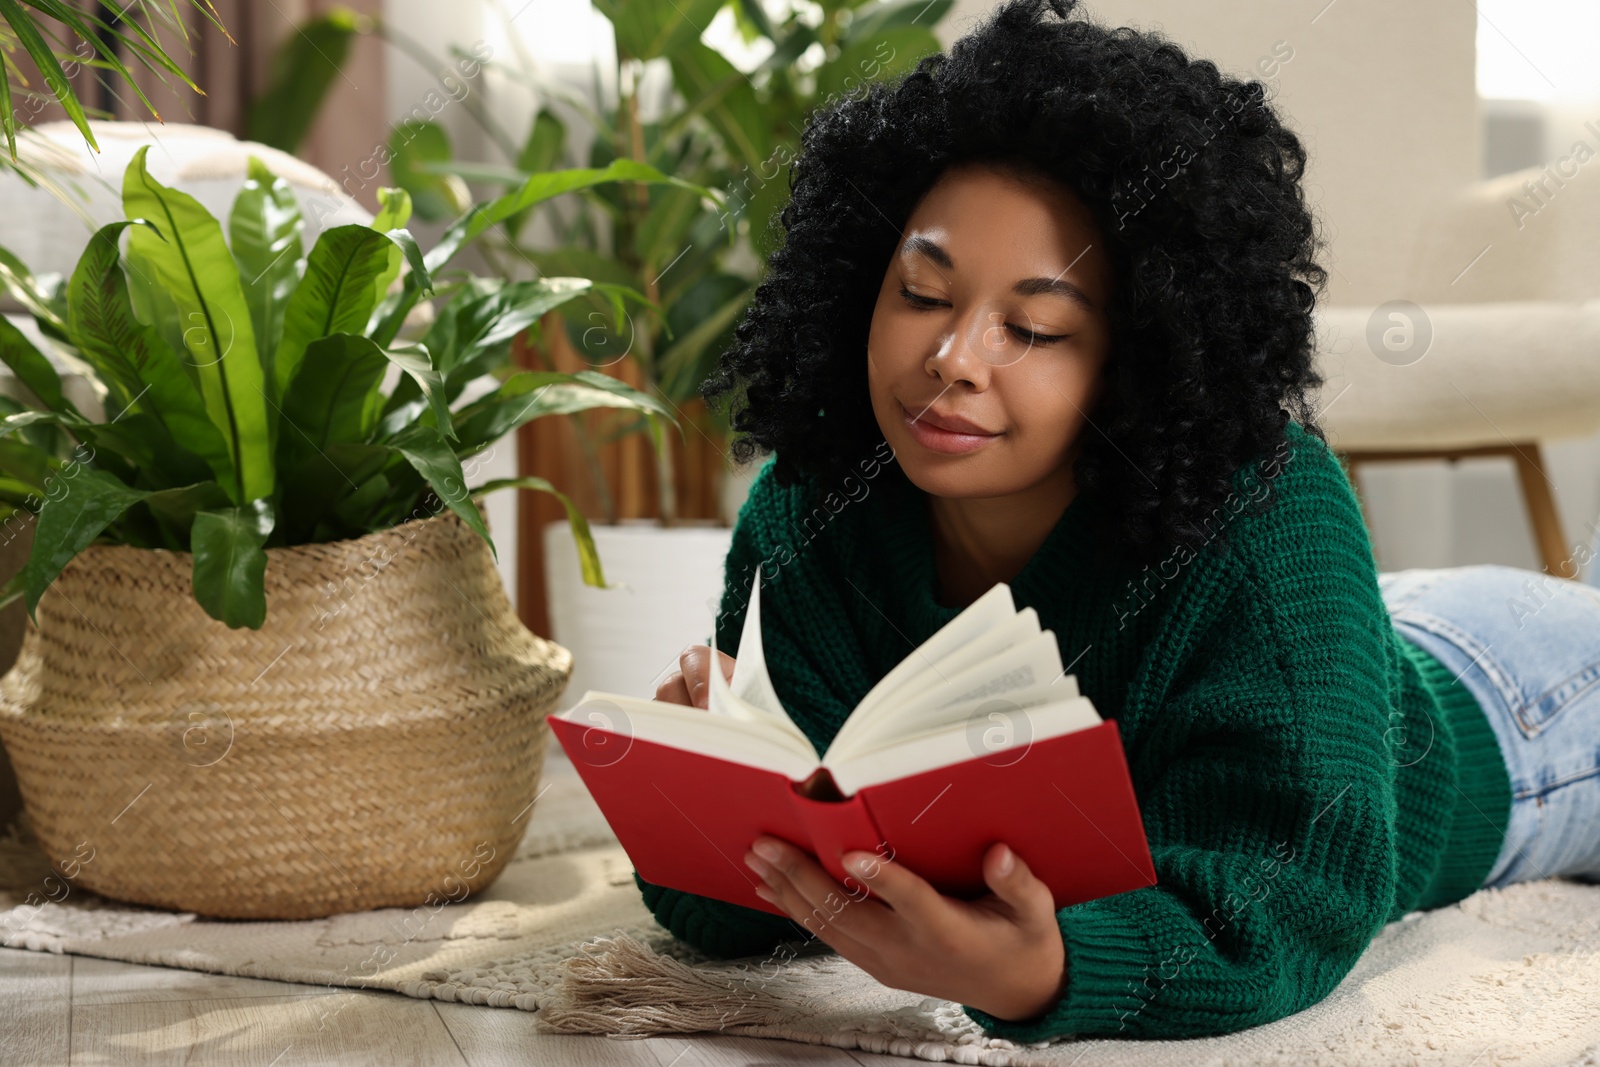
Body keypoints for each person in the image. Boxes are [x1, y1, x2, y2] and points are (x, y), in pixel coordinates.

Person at [638, 0, 1600, 1043]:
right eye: (921, 292)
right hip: (1362, 635)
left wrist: (1048, 970)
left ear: (1137, 352)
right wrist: (702, 802)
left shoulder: (1266, 505)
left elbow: (1292, 897)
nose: (954, 358)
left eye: (1034, 325)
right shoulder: (814, 498)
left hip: (1531, 710)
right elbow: (738, 910)